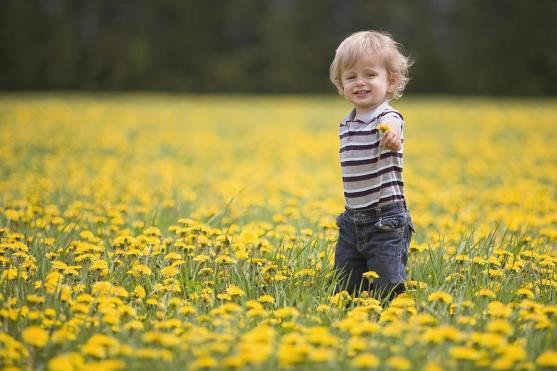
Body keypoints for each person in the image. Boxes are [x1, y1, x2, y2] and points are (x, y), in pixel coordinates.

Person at [329, 30, 415, 302]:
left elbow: (394, 124)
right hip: (351, 221)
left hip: (385, 220)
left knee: (387, 286)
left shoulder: (387, 117)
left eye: (370, 74)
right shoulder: (347, 122)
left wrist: (391, 134)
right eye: (351, 77)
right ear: (341, 84)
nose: (360, 82)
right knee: (345, 288)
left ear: (391, 81)